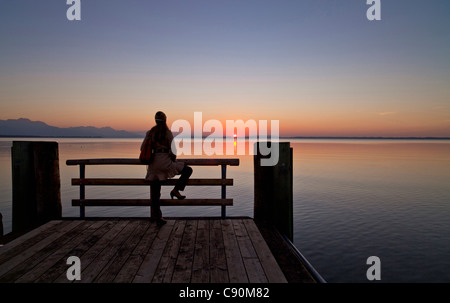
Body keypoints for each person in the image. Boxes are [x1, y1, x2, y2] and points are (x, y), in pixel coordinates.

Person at [140, 111, 193, 226]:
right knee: (188, 170)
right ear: (165, 120)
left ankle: (158, 217)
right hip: (165, 163)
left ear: (155, 120)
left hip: (153, 165)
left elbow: (142, 148)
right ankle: (176, 190)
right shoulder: (167, 133)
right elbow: (174, 151)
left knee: (155, 193)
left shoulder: (150, 133)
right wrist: (173, 161)